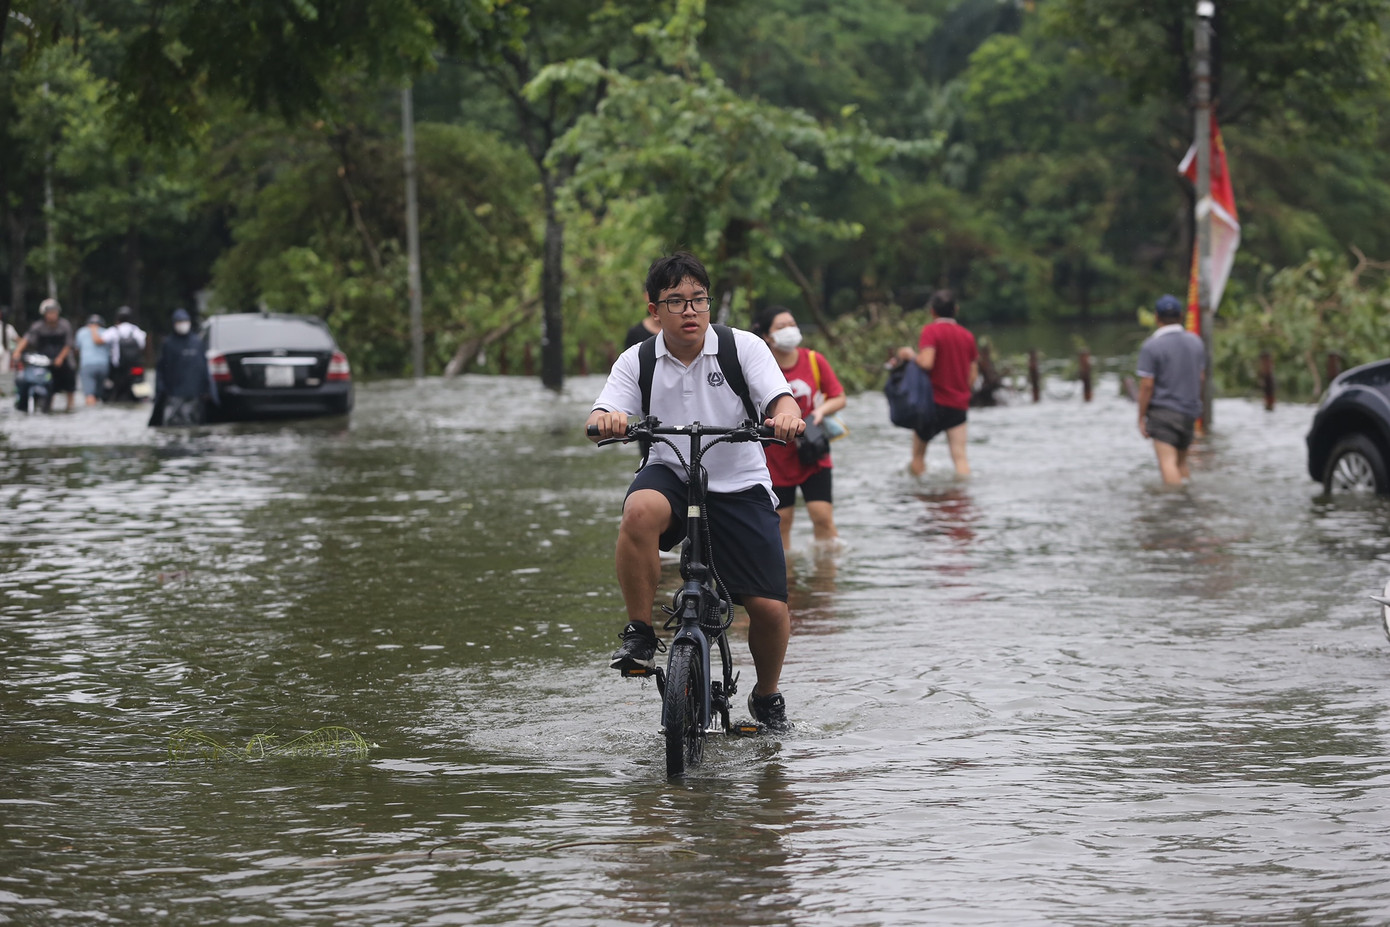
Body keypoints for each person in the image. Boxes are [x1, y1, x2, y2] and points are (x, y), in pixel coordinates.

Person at [586, 252, 804, 731]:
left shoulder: (742, 347)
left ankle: (766, 695)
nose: (689, 311)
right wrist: (608, 419)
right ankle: (640, 632)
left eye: (698, 300)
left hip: (738, 479)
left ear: (709, 305)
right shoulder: (638, 359)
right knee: (639, 510)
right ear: (654, 309)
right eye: (677, 301)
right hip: (671, 471)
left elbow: (778, 395)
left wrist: (785, 414)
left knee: (769, 608)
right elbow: (604, 411)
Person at [749, 305, 846, 552]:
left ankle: (825, 582)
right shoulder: (758, 366)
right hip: (775, 456)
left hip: (812, 448)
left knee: (822, 515)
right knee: (782, 522)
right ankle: (788, 582)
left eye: (792, 325)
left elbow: (838, 396)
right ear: (767, 336)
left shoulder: (813, 359)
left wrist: (819, 413)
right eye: (781, 327)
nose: (789, 331)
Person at [895, 290, 978, 477]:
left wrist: (910, 355)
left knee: (918, 456)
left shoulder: (931, 331)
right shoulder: (967, 336)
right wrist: (962, 393)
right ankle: (962, 497)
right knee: (960, 457)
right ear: (956, 310)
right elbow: (972, 375)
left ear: (932, 312)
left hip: (932, 405)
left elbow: (927, 362)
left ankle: (919, 498)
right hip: (958, 404)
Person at [1136, 294, 1205, 485]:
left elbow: (1147, 385)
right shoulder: (1196, 342)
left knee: (1167, 463)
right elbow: (1201, 378)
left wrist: (1141, 417)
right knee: (1182, 464)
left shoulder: (1151, 346)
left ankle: (1174, 507)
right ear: (1181, 316)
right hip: (1189, 412)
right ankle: (1187, 503)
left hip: (1163, 413)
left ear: (1156, 317)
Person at [12, 298, 77, 411]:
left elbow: (68, 344)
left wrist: (60, 358)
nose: (52, 315)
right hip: (45, 361)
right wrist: (17, 353)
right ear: (44, 314)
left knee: (69, 384)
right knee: (48, 384)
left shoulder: (64, 325)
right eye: (50, 312)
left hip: (64, 361)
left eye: (54, 312)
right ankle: (47, 407)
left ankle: (70, 407)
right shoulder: (38, 326)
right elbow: (26, 340)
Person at [151, 308, 210, 426]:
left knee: (192, 421)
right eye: (179, 322)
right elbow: (161, 369)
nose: (183, 325)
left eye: (185, 321)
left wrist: (207, 389)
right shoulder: (168, 344)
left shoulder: (197, 342)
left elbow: (204, 368)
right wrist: (160, 389)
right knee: (172, 422)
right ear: (174, 324)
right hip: (173, 394)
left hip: (194, 394)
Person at [106, 305, 148, 402]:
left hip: (119, 369)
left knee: (115, 395)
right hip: (136, 368)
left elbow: (101, 341)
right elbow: (142, 346)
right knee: (142, 395)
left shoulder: (113, 330)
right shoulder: (136, 330)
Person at [74, 314, 109, 405]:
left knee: (89, 395)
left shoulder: (81, 332)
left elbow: (77, 349)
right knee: (98, 395)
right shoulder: (106, 332)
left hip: (87, 366)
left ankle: (91, 417)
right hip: (103, 366)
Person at [0, 305, 18, 395]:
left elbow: (17, 339)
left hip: (5, 352)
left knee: (4, 372)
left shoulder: (7, 327)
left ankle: (3, 390)